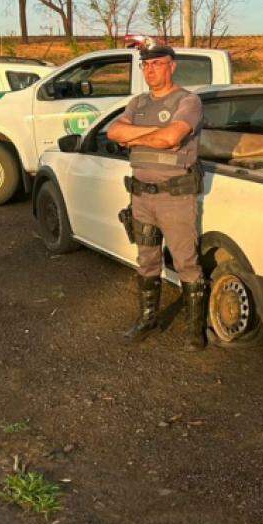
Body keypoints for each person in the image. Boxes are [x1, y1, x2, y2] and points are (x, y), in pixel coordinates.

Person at [106, 40, 207, 350]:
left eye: (157, 64)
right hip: (141, 199)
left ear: (172, 66)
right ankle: (148, 319)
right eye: (146, 65)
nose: (150, 70)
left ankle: (195, 332)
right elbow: (113, 132)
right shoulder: (138, 103)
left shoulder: (187, 101)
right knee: (146, 261)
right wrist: (154, 137)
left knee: (186, 262)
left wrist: (135, 137)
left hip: (174, 199)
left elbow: (172, 137)